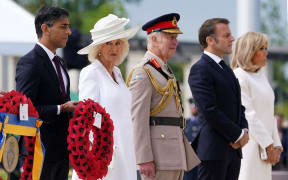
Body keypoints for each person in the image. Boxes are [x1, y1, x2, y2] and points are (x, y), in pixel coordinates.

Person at [127, 13, 200, 180]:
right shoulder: (143, 72)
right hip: (158, 156)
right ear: (153, 39)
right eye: (170, 37)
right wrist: (144, 158)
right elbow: (137, 118)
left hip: (174, 152)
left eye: (176, 37)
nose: (175, 42)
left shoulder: (164, 70)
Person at [71, 14, 139, 180]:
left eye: (118, 43)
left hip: (126, 149)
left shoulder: (117, 72)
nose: (114, 48)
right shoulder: (91, 73)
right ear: (99, 47)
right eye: (108, 43)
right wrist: (96, 155)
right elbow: (86, 117)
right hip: (104, 153)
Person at [15, 6, 78, 180]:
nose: (69, 32)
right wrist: (60, 108)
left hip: (61, 153)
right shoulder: (30, 63)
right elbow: (24, 111)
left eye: (68, 26)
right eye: (63, 26)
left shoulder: (60, 63)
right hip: (38, 153)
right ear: (45, 28)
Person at [188, 18, 249, 180]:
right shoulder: (200, 69)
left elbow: (238, 106)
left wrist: (244, 131)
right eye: (226, 35)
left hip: (233, 152)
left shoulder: (226, 69)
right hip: (214, 152)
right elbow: (209, 110)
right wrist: (237, 134)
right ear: (210, 40)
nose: (232, 39)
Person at [231, 31, 282, 180]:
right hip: (251, 146)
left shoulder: (261, 76)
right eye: (262, 48)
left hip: (267, 148)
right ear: (250, 51)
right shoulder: (239, 75)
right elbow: (249, 115)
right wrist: (268, 145)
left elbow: (268, 113)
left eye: (267, 48)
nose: (266, 53)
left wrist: (276, 145)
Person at [183, 98, 201, 180]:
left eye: (195, 106)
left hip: (201, 157)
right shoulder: (185, 123)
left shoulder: (204, 122)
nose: (194, 108)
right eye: (192, 106)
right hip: (188, 158)